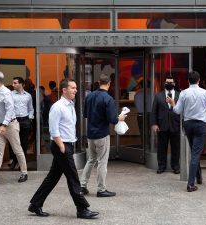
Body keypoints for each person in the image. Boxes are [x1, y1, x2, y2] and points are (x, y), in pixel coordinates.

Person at [28, 79, 99, 219]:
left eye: (76, 87)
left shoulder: (70, 105)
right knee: (73, 177)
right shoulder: (58, 107)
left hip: (67, 145)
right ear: (64, 90)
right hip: (61, 146)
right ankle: (82, 209)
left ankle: (35, 204)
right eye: (72, 88)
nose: (75, 90)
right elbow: (54, 131)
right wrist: (62, 147)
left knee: (52, 177)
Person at [169, 71, 206, 192]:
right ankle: (190, 184)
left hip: (188, 125)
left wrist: (172, 103)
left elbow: (177, 111)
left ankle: (199, 177)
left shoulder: (183, 93)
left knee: (194, 151)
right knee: (196, 153)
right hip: (200, 125)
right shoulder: (205, 93)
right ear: (199, 81)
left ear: (188, 81)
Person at [80, 74, 125, 197]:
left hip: (90, 134)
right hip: (102, 134)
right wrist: (119, 118)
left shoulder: (89, 96)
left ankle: (82, 186)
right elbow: (112, 119)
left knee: (91, 160)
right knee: (102, 162)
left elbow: (85, 114)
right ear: (109, 84)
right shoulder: (108, 99)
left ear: (99, 82)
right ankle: (101, 189)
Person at [150, 76, 181, 174]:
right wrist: (154, 124)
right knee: (161, 148)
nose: (169, 84)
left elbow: (182, 110)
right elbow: (154, 111)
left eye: (171, 82)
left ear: (174, 84)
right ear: (164, 84)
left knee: (176, 148)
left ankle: (175, 166)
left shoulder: (180, 95)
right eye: (167, 82)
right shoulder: (158, 96)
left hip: (175, 125)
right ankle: (161, 166)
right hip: (162, 125)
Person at [8, 77, 34, 170]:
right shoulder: (10, 94)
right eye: (13, 83)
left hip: (25, 120)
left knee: (24, 142)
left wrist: (30, 118)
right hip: (15, 120)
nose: (13, 84)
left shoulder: (28, 95)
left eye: (15, 83)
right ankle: (14, 160)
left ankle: (21, 163)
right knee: (14, 142)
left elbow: (30, 108)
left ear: (21, 84)